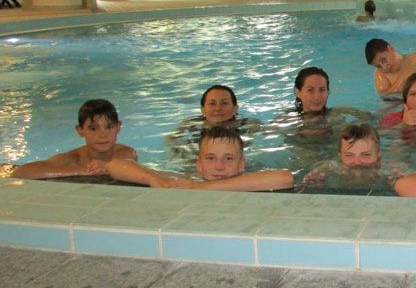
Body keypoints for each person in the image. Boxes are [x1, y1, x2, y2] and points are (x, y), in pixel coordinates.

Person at [108, 125, 293, 191]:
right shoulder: (189, 180)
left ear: (241, 165)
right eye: (210, 158)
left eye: (228, 158)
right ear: (199, 164)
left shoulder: (247, 181)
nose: (219, 166)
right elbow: (116, 164)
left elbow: (285, 178)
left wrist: (203, 187)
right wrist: (154, 180)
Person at [13, 99, 137, 179]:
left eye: (109, 127)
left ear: (118, 127)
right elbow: (21, 172)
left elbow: (128, 169)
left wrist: (107, 168)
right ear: (80, 130)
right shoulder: (71, 159)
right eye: (93, 128)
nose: (102, 135)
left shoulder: (125, 152)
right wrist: (83, 170)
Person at [167, 85, 262, 155]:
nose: (218, 108)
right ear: (202, 109)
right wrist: (184, 155)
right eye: (212, 103)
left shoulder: (249, 124)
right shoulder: (191, 123)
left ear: (235, 108)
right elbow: (170, 139)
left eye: (224, 103)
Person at [302, 123, 391, 186]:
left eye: (365, 155)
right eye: (349, 155)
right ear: (340, 156)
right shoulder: (332, 167)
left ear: (378, 155)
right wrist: (313, 182)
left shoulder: (389, 170)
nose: (357, 163)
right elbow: (320, 169)